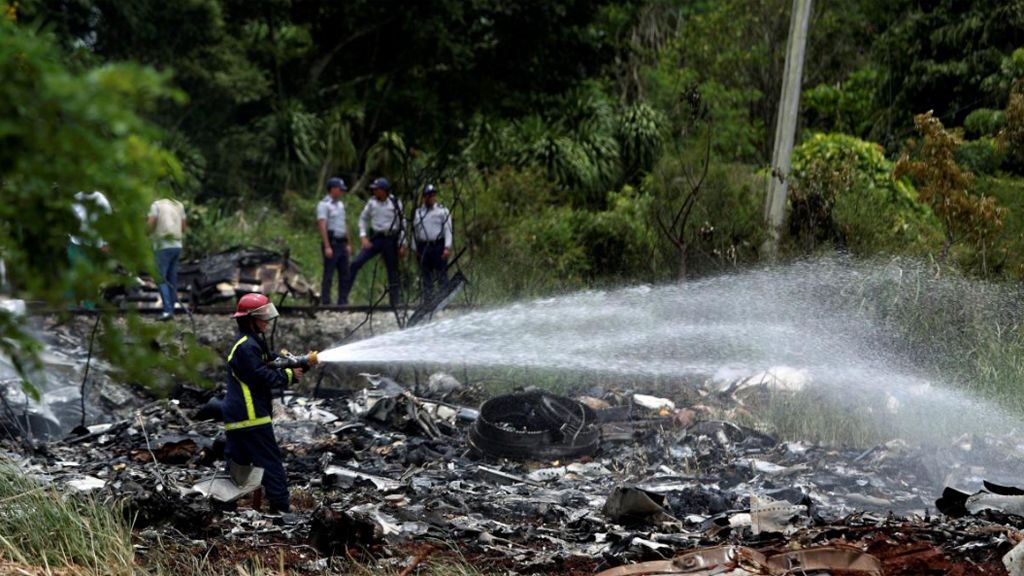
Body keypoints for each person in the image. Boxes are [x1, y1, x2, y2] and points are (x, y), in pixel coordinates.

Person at [222, 293, 302, 513]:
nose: (267, 321)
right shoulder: (247, 347)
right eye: (263, 316)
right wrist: (289, 375)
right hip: (251, 416)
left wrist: (293, 361)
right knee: (270, 461)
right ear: (249, 319)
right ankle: (281, 508)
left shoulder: (251, 345)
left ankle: (223, 506)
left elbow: (268, 361)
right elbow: (261, 377)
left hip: (238, 417)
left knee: (237, 465)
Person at [346, 177, 405, 307]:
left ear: (384, 191)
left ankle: (395, 302)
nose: (374, 192)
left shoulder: (395, 202)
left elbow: (402, 223)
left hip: (391, 239)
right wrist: (363, 236)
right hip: (376, 238)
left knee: (392, 271)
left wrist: (402, 243)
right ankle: (343, 297)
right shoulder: (371, 203)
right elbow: (363, 219)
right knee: (356, 263)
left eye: (376, 189)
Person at [411, 184, 453, 305]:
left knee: (441, 273)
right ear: (424, 197)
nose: (431, 198)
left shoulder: (442, 211)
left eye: (433, 195)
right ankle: (428, 300)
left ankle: (444, 298)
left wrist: (447, 247)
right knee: (426, 275)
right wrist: (415, 248)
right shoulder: (418, 213)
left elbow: (448, 229)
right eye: (428, 196)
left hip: (437, 245)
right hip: (423, 246)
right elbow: (414, 231)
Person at [147, 197, 187, 321]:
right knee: (172, 278)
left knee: (161, 278)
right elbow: (184, 227)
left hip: (162, 246)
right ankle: (172, 309)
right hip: (177, 245)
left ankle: (167, 310)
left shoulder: (156, 205)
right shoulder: (178, 204)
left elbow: (151, 225)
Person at [317, 177, 351, 305]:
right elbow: (322, 224)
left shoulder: (341, 205)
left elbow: (344, 224)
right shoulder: (324, 205)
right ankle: (326, 301)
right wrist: (327, 246)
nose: (342, 192)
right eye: (340, 189)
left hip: (342, 242)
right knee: (329, 274)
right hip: (332, 242)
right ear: (333, 189)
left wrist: (348, 243)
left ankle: (343, 301)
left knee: (344, 274)